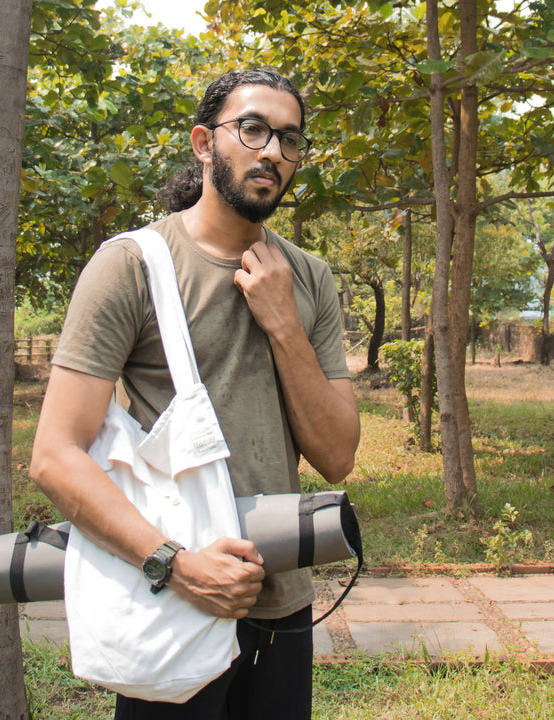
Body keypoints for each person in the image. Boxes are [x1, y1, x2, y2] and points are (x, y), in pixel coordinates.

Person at [30, 67, 361, 720]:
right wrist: (175, 566)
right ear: (205, 143)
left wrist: (283, 321)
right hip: (174, 601)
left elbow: (337, 453)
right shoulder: (131, 265)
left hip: (282, 606)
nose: (272, 151)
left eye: (289, 139)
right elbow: (55, 455)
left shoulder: (309, 278)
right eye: (254, 129)